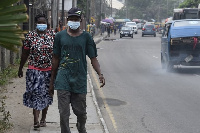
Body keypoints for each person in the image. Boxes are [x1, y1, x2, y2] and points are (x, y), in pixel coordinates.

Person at [49, 7, 105, 133]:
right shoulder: (59, 36)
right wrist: (51, 81)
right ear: (67, 19)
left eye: (76, 19)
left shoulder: (86, 37)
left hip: (79, 79)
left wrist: (100, 74)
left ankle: (81, 126)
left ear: (80, 20)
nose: (74, 21)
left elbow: (93, 58)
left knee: (81, 113)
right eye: (71, 19)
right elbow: (55, 59)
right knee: (63, 114)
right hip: (63, 79)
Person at [18, 13, 55, 129]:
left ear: (47, 23)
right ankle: (35, 120)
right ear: (36, 23)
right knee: (35, 93)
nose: (41, 24)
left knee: (46, 94)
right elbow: (25, 53)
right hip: (34, 69)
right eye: (39, 22)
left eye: (43, 22)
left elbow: (56, 54)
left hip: (48, 70)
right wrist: (20, 68)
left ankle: (43, 119)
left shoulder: (52, 35)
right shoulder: (30, 36)